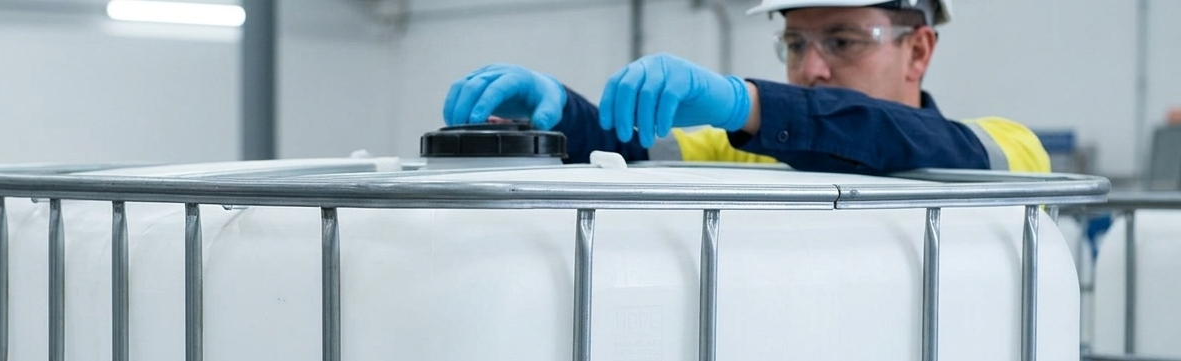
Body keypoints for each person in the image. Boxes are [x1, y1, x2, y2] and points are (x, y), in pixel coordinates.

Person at [442, 0, 1049, 175]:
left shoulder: (1008, 153)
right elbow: (625, 146)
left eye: (843, 40)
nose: (811, 69)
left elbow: (895, 138)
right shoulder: (741, 152)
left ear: (917, 48)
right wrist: (559, 114)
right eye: (795, 44)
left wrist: (748, 101)